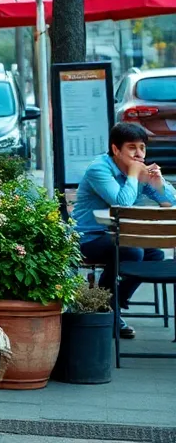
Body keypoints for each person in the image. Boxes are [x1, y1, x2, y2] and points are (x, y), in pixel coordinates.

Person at [72, 122, 176, 339]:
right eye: (132, 147)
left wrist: (159, 183)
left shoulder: (138, 169)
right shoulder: (99, 169)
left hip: (120, 236)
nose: (139, 154)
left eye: (142, 148)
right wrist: (133, 175)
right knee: (133, 251)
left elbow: (170, 203)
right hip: (88, 238)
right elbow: (122, 204)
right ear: (116, 149)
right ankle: (111, 312)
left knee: (154, 254)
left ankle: (110, 302)